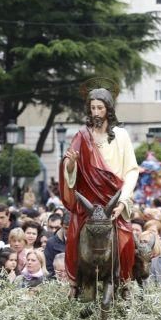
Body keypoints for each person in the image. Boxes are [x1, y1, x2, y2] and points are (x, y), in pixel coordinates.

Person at [59, 86, 139, 293]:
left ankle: (124, 283)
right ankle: (76, 284)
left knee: (126, 237)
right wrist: (70, 164)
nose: (96, 112)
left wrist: (122, 203)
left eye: (100, 108)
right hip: (89, 203)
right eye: (92, 108)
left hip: (114, 199)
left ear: (108, 110)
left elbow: (131, 170)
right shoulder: (82, 136)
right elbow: (70, 168)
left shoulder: (121, 136)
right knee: (76, 233)